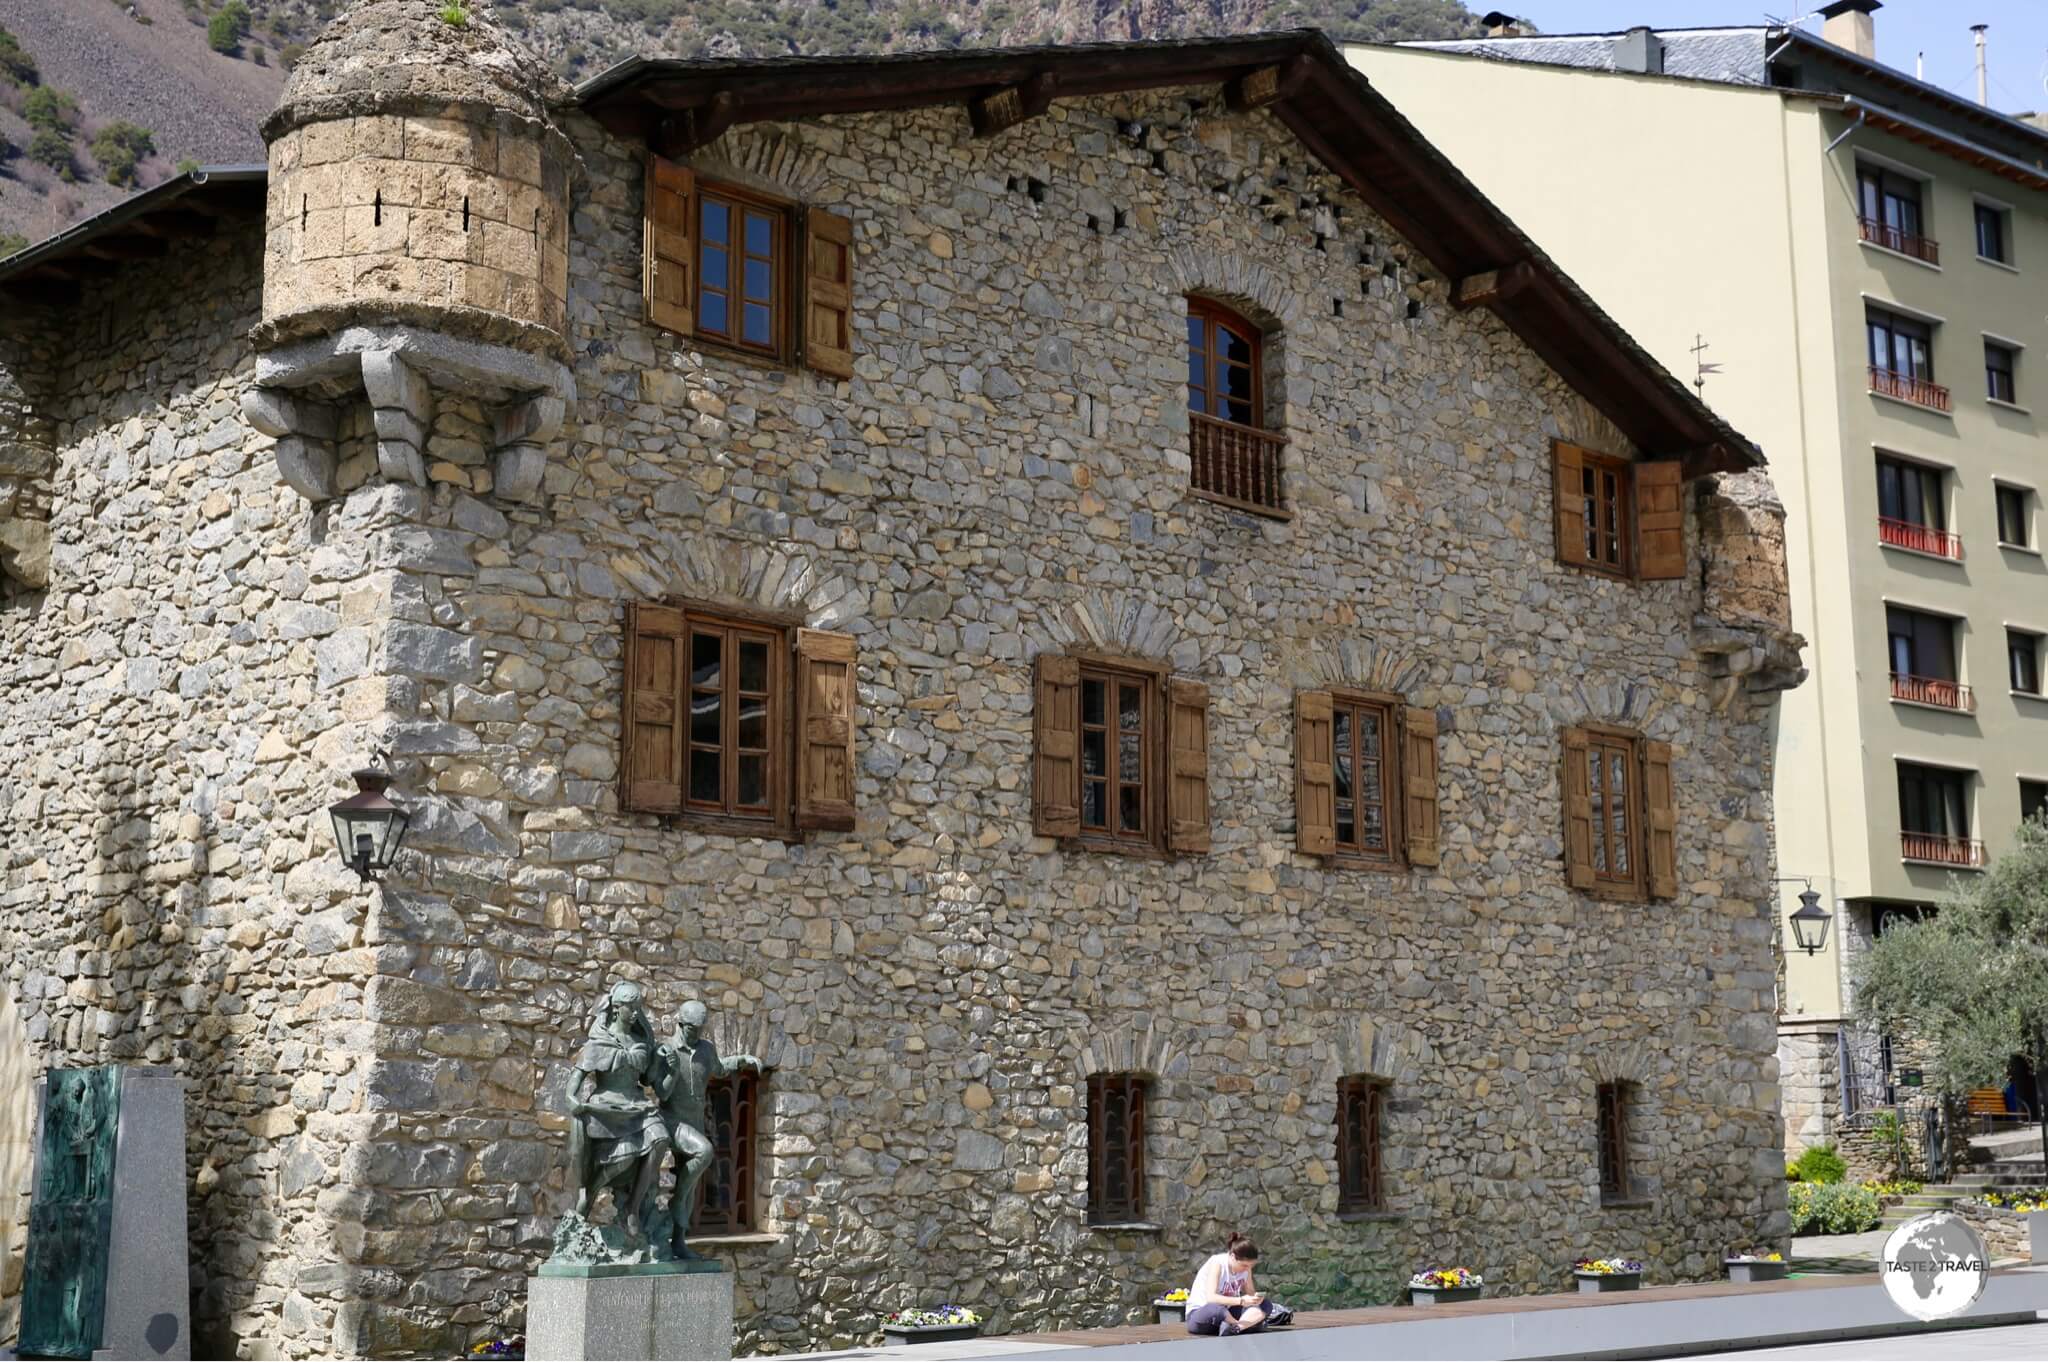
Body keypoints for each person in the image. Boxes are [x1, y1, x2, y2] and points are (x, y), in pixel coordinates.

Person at [1183, 1232, 1288, 1336]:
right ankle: (1243, 1325)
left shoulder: (1247, 1269)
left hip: (1228, 1313)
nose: (1247, 1269)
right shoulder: (1217, 1263)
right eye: (1244, 1265)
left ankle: (1236, 1328)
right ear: (1233, 1257)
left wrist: (1255, 1299)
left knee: (1265, 1304)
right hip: (1203, 1314)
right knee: (1216, 1309)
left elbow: (1250, 1293)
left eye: (1251, 1266)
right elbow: (1211, 1298)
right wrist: (1241, 1301)